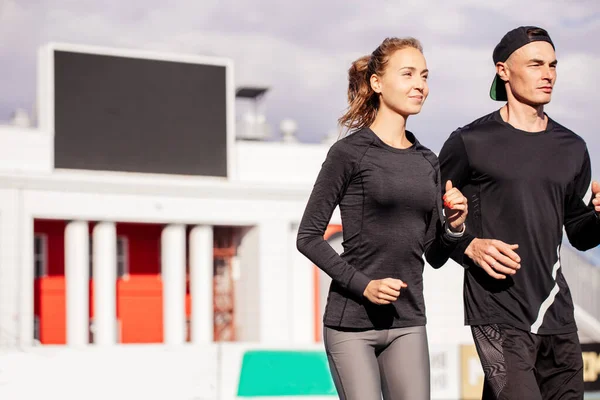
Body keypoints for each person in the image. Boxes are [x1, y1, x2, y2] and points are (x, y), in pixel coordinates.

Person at [296, 37, 468, 400]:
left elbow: (433, 255)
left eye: (424, 75)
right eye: (407, 74)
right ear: (377, 83)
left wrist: (454, 226)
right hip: (351, 323)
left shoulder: (427, 160)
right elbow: (308, 236)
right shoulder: (348, 153)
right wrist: (364, 286)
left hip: (408, 322)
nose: (419, 84)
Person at [438, 26, 600, 400]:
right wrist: (469, 246)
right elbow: (428, 218)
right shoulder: (469, 142)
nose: (548, 74)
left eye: (554, 65)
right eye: (536, 64)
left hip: (556, 314)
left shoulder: (572, 147)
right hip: (498, 310)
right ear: (503, 70)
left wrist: (598, 217)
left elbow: (578, 231)